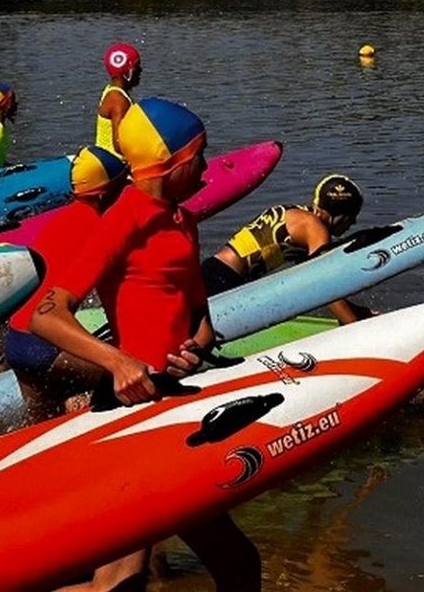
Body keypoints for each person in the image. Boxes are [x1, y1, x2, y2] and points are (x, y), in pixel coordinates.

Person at [30, 97, 261, 592]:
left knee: (239, 565)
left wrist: (195, 349)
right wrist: (118, 363)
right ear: (174, 161)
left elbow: (200, 318)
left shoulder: (184, 222)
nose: (205, 163)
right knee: (119, 580)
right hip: (132, 411)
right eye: (199, 154)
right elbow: (47, 315)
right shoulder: (123, 218)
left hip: (176, 407)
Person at [2, 144, 128, 417]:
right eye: (123, 188)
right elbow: (117, 298)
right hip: (45, 343)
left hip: (16, 340)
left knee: (40, 426)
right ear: (106, 193)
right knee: (135, 378)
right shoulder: (102, 228)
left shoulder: (61, 219)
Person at [200, 173, 373, 324]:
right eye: (352, 217)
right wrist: (354, 325)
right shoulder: (315, 227)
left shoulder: (301, 216)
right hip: (222, 281)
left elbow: (315, 283)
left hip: (214, 273)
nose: (353, 223)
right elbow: (323, 282)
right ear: (339, 215)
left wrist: (357, 311)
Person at [95, 42, 141, 155]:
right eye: (136, 66)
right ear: (127, 71)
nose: (140, 70)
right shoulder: (119, 101)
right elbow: (119, 145)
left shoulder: (111, 90)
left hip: (106, 158)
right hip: (116, 165)